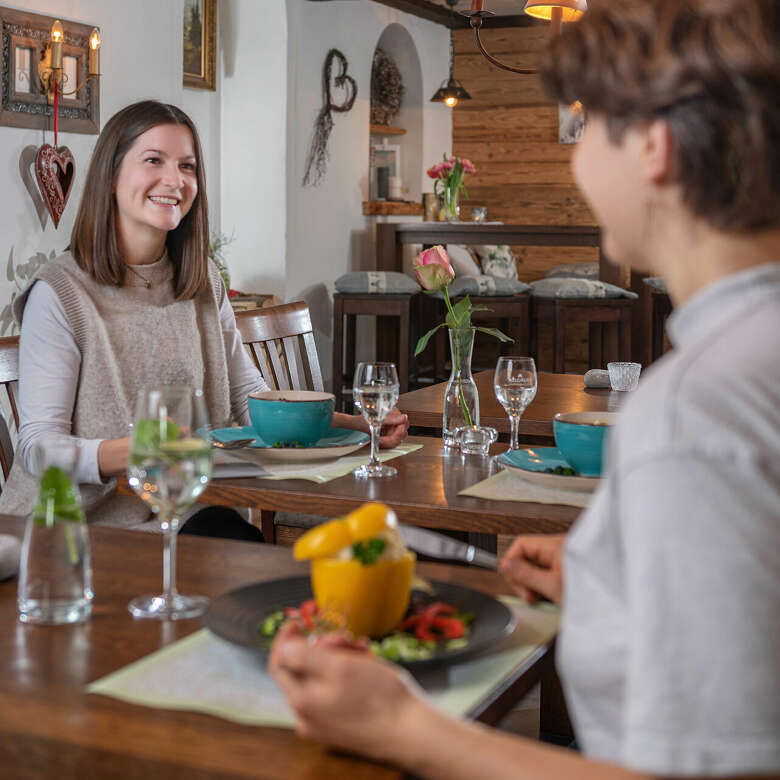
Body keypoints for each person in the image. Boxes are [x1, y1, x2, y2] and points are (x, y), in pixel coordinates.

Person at [270, 1, 780, 777]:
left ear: (654, 147)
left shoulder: (695, 415)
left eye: (588, 118)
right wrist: (614, 585)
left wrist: (403, 727)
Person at [0, 100, 408, 533]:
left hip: (186, 513)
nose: (175, 180)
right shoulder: (60, 292)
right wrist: (139, 450)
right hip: (75, 535)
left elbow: (248, 401)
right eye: (153, 160)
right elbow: (39, 449)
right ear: (111, 176)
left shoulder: (202, 280)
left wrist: (353, 426)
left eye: (188, 167)